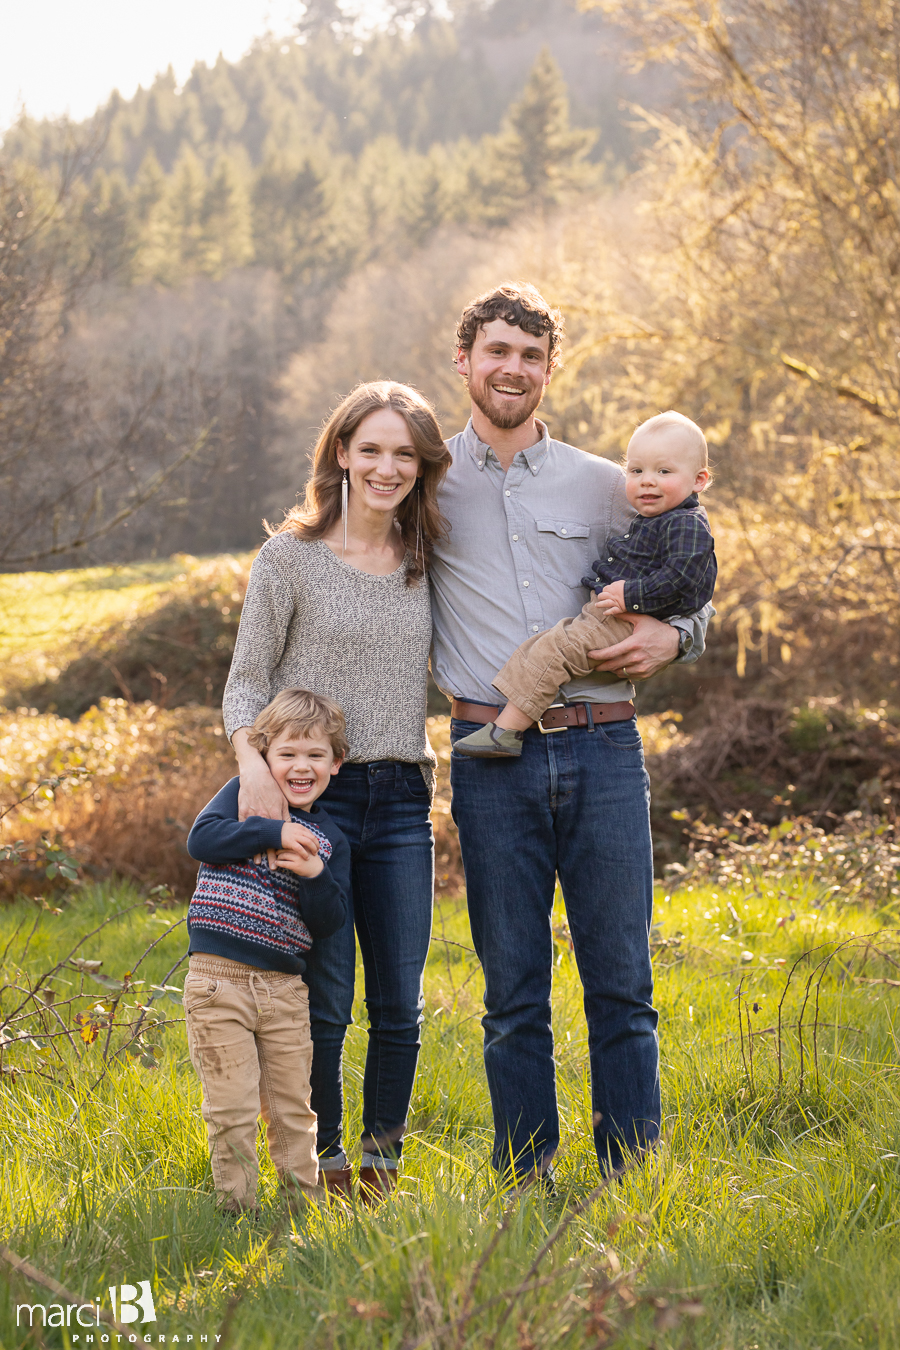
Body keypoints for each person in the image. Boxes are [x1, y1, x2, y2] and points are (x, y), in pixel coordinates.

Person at [428, 284, 712, 1182]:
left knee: (622, 982)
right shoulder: (423, 482)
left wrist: (679, 637)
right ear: (465, 360)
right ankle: (525, 1177)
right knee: (513, 993)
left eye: (531, 355)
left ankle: (634, 1174)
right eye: (497, 350)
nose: (513, 368)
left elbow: (693, 570)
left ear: (551, 370)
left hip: (604, 748)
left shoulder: (608, 484)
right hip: (490, 759)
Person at [223, 381, 451, 1198]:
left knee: (399, 998)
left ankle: (379, 1166)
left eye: (405, 454)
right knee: (322, 1001)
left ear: (422, 467)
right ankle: (315, 1164)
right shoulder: (289, 558)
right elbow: (245, 684)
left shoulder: (430, 562)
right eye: (372, 449)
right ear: (342, 454)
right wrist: (255, 766)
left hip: (400, 803)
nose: (387, 467)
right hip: (313, 803)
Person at [453, 410, 716, 757]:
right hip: (603, 616)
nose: (646, 481)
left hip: (618, 633)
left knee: (555, 651)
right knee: (544, 647)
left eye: (663, 471)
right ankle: (504, 724)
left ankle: (506, 731)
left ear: (699, 480)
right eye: (636, 470)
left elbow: (690, 583)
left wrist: (667, 628)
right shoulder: (651, 515)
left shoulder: (683, 523)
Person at [184, 688, 350, 1214]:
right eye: (287, 754)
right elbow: (202, 841)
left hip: (283, 991)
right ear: (263, 757)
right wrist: (274, 828)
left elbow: (329, 921)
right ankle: (238, 1213)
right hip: (217, 980)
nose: (301, 766)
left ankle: (301, 1213)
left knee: (293, 1111)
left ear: (335, 763)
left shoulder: (329, 840)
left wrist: (315, 876)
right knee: (231, 1107)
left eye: (315, 755)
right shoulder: (239, 796)